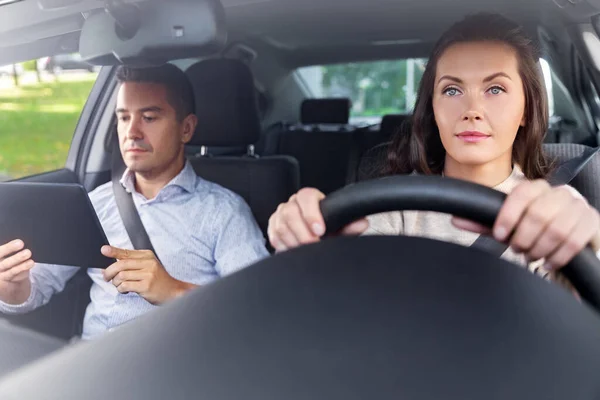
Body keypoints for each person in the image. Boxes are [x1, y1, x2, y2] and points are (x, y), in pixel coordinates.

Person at [267, 13, 600, 288]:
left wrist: (588, 250)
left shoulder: (551, 211)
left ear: (527, 109)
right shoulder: (394, 207)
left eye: (495, 89)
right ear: (433, 108)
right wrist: (304, 236)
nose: (472, 109)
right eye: (452, 90)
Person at [0, 64, 269, 339]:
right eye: (124, 118)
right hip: (92, 363)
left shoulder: (223, 212)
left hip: (180, 367)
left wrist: (173, 290)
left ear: (186, 129)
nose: (132, 132)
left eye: (149, 118)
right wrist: (12, 283)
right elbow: (36, 289)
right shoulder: (95, 203)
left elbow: (258, 310)